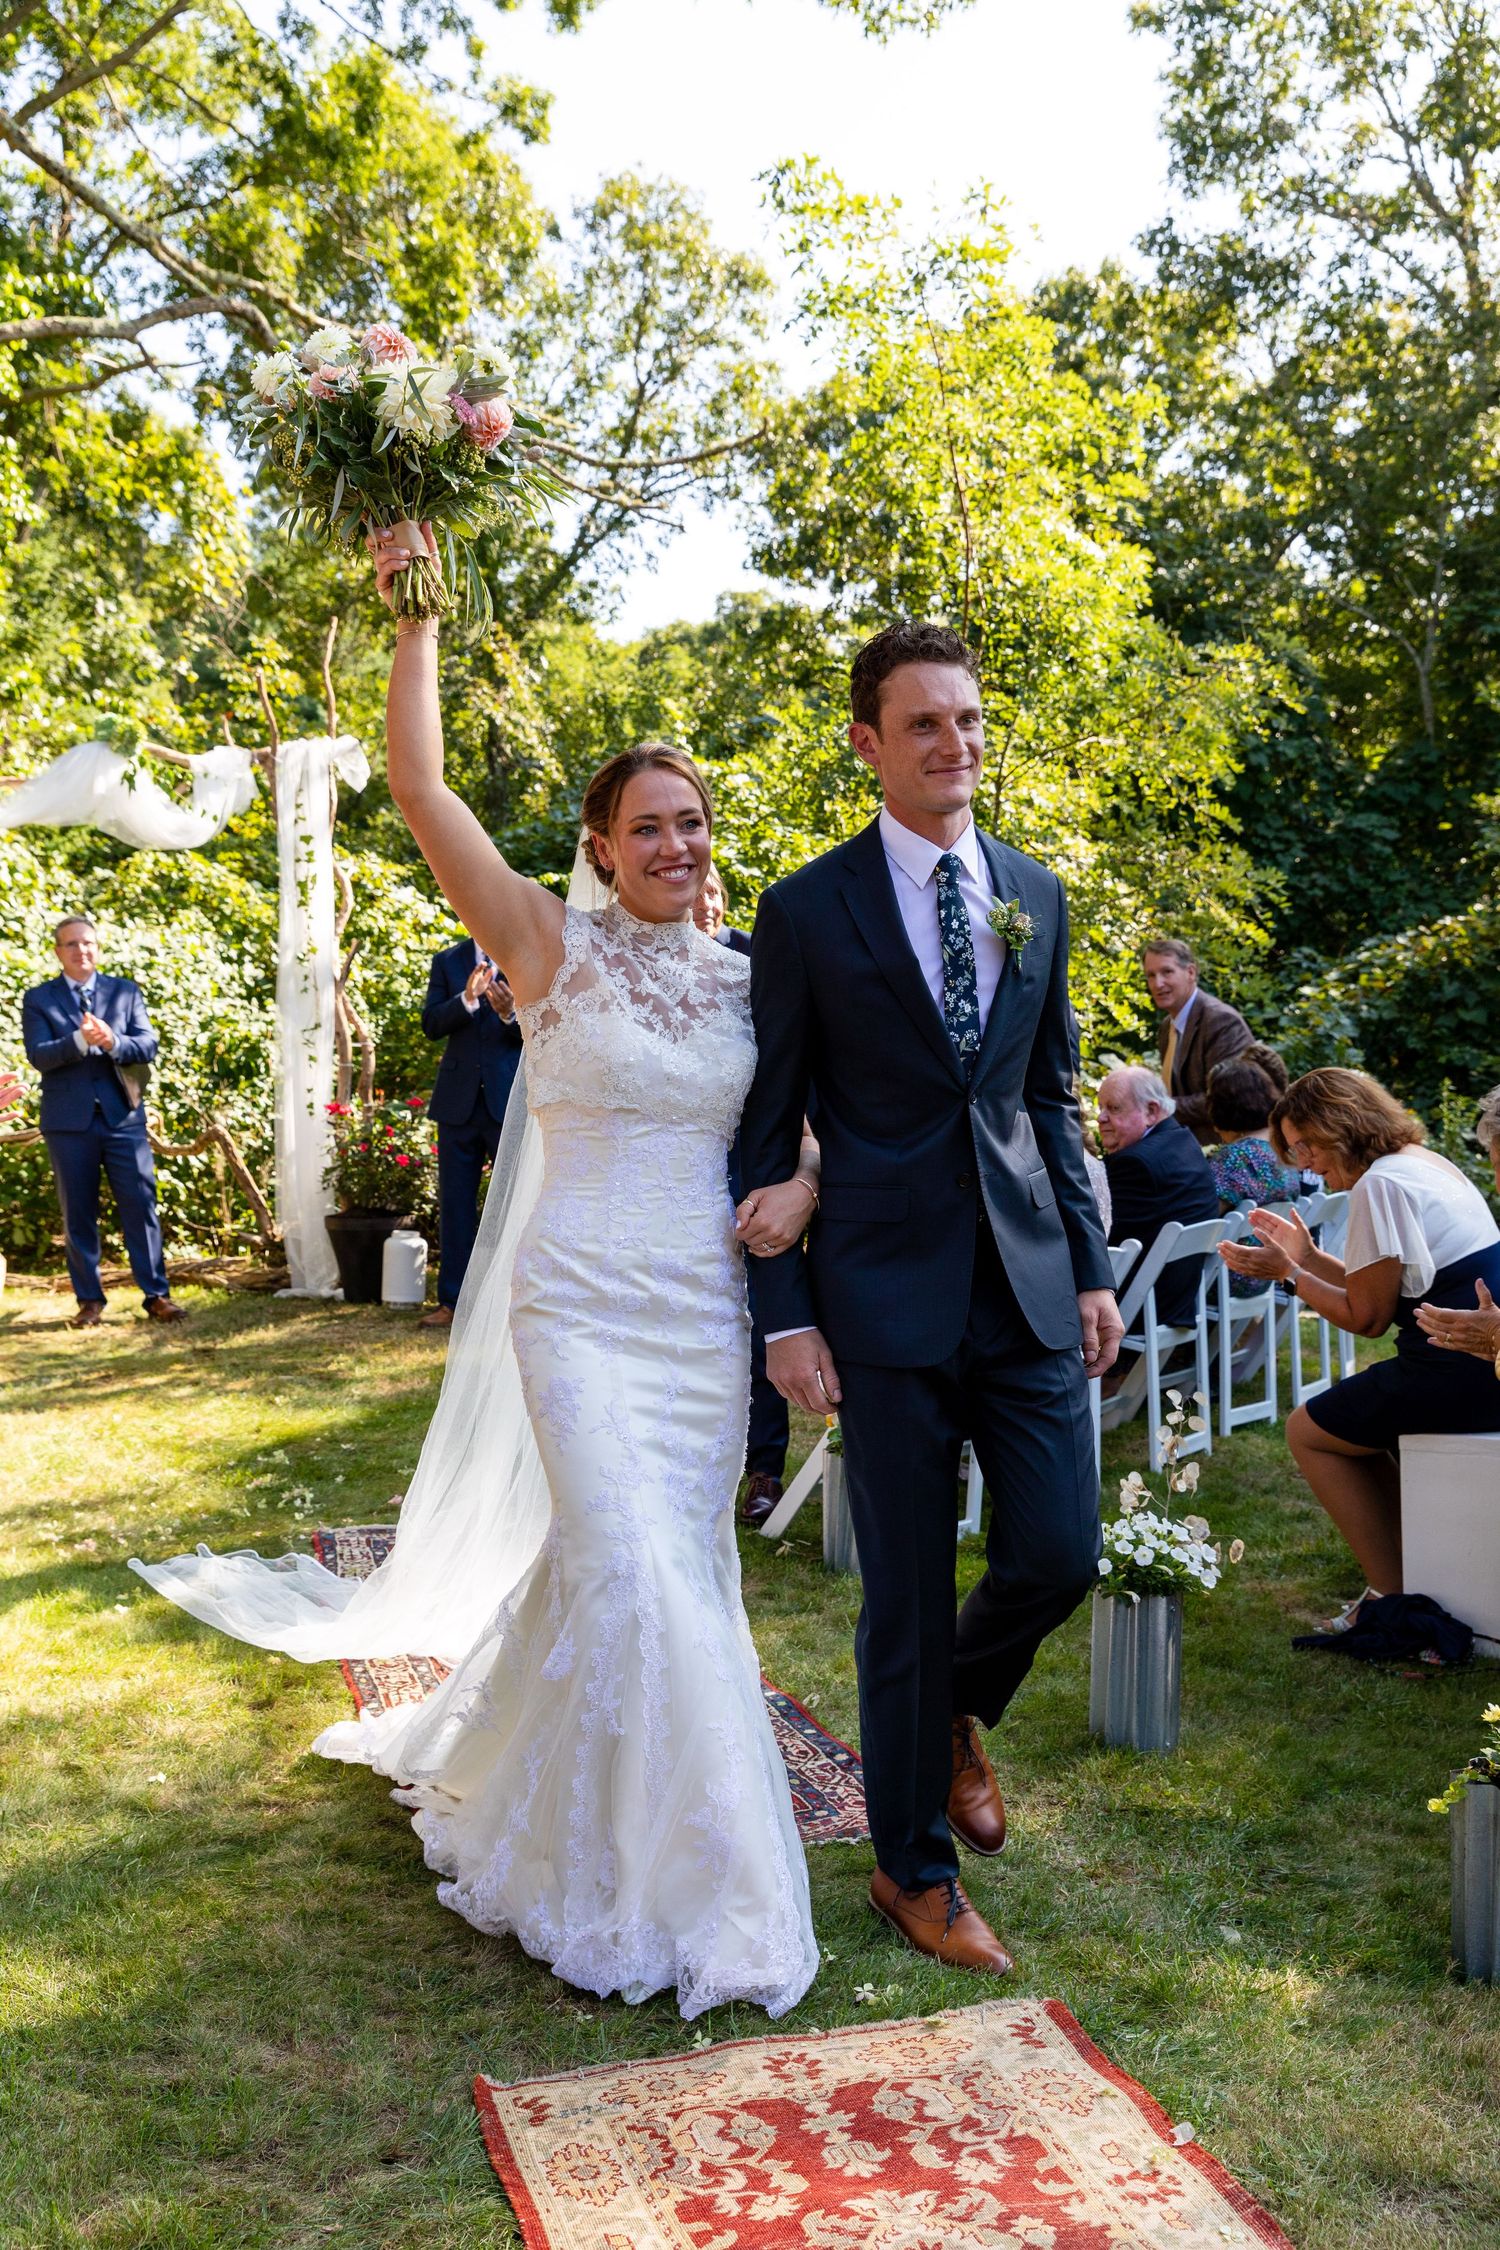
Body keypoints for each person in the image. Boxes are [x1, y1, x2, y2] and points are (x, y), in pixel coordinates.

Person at [134, 522, 822, 2024]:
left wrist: (805, 1186)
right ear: (599, 843)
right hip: (575, 1307)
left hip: (699, 1324)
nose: (675, 846)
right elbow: (422, 790)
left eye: (693, 822)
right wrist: (416, 614)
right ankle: (642, 1881)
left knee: (667, 1576)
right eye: (647, 825)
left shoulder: (757, 982)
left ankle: (638, 1841)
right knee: (634, 1570)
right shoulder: (544, 945)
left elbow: (814, 1137)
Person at [739, 618, 1122, 1979]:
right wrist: (782, 1314)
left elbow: (1049, 1094)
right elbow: (764, 1122)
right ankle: (913, 1868)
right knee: (900, 1593)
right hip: (882, 1301)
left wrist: (1085, 1261)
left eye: (967, 720)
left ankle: (949, 1715)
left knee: (1059, 1549)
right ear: (868, 743)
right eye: (924, 725)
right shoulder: (806, 910)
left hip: (1021, 1283)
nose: (955, 744)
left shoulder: (1038, 891)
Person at [1219, 1068, 1500, 1625]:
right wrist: (1303, 1258)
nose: (1304, 1163)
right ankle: (1416, 1569)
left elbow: (1366, 1318)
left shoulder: (1380, 1184)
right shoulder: (1422, 1162)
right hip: (1480, 1357)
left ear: (1340, 1125)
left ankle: (1387, 1594)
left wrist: (1290, 1275)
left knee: (1307, 1431)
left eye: (1307, 1145)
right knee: (1349, 1425)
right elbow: (1391, 1289)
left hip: (1458, 1363)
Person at [22, 917, 185, 1329]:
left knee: (141, 1206)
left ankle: (157, 1296)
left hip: (122, 1118)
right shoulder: (39, 998)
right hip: (68, 1122)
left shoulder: (125, 992)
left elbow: (147, 1044)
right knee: (78, 1213)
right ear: (58, 952)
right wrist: (79, 1041)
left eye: (88, 943)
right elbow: (38, 1055)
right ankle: (89, 1302)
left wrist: (113, 1041)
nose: (82, 951)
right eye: (71, 945)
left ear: (98, 947)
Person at [694, 865, 794, 1525]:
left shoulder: (757, 962)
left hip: (747, 1162)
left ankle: (764, 1470)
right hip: (674, 1166)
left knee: (759, 1318)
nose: (701, 903)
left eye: (712, 892)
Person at [419, 932, 524, 1330]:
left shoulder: (522, 952)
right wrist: (467, 999)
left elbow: (544, 1031)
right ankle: (453, 1301)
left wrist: (510, 1014)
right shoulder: (447, 960)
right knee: (456, 1206)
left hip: (506, 1103)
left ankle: (508, 1303)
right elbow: (431, 1023)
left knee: (511, 1206)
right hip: (456, 1104)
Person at [1096, 1065, 1220, 1326]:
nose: (1100, 1118)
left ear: (1151, 1111)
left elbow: (1103, 1242)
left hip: (1145, 1308)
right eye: (1100, 1108)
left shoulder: (1135, 1163)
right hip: (1179, 1299)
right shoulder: (1184, 1141)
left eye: (1114, 1108)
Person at [1206, 1055, 1305, 1298]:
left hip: (1225, 1275)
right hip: (1267, 1275)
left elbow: (1203, 1218)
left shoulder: (1236, 1157)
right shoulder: (1283, 1150)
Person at [1142, 936, 1253, 1143]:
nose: (1158, 983)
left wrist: (1158, 1108)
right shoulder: (1167, 1026)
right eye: (1151, 975)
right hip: (1189, 1148)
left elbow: (1222, 1098)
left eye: (1167, 972)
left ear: (1190, 972)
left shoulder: (1221, 1021)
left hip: (1230, 1150)